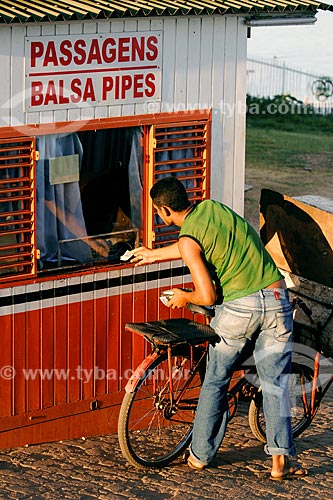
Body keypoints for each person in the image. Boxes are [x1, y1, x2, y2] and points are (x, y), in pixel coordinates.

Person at [131, 176, 308, 480]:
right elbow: (198, 245)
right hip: (277, 299)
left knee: (216, 379)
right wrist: (154, 254)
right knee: (275, 384)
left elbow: (207, 295)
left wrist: (183, 298)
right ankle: (280, 462)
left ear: (163, 211)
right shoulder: (213, 208)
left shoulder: (187, 240)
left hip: (240, 310)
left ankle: (200, 455)